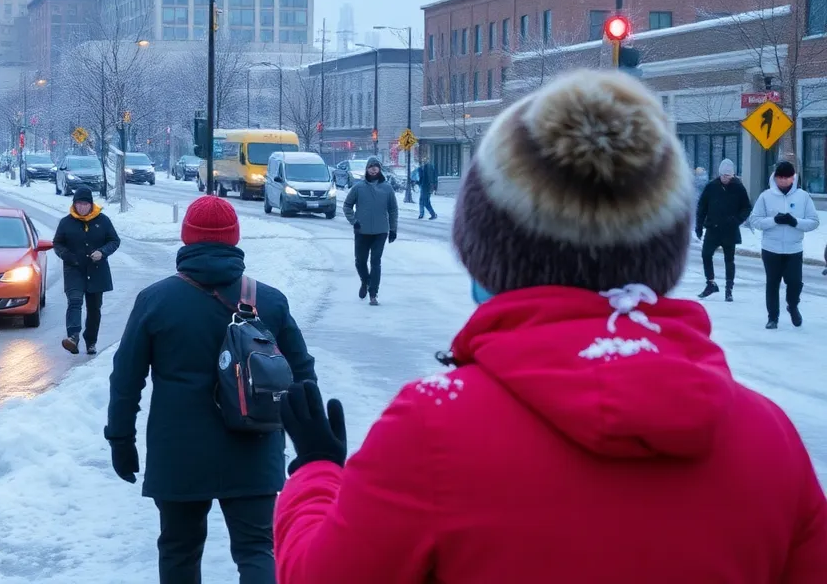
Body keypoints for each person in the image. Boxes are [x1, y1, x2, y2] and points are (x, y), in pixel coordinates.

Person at [271, 71, 827, 584]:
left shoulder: (431, 430)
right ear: (664, 253)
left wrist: (317, 476)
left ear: (488, 257)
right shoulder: (769, 439)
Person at [106, 195, 316, 584]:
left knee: (179, 550)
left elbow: (126, 378)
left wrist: (121, 438)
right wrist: (311, 443)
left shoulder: (156, 300)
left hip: (179, 450)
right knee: (257, 549)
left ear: (187, 238)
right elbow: (302, 375)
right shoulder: (268, 300)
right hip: (255, 445)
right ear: (234, 239)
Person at [750, 160, 819, 329]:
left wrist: (795, 222)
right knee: (772, 283)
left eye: (787, 177)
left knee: (795, 282)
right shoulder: (766, 196)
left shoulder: (803, 196)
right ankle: (773, 317)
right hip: (771, 248)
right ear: (775, 177)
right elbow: (755, 220)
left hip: (794, 248)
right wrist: (774, 220)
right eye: (780, 177)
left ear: (793, 178)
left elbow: (814, 221)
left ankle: (793, 305)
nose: (783, 181)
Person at [53, 187, 120, 354]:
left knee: (94, 308)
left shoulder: (103, 221)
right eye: (78, 204)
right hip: (74, 269)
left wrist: (102, 252)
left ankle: (91, 341)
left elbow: (114, 240)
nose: (82, 207)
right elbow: (57, 243)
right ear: (74, 204)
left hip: (97, 270)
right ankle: (73, 337)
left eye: (85, 204)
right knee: (74, 301)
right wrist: (67, 255)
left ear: (91, 204)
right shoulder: (66, 222)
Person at [342, 155, 397, 305]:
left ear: (379, 169)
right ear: (367, 169)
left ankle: (373, 294)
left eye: (376, 166)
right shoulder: (358, 187)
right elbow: (347, 206)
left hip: (380, 231)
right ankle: (365, 281)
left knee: (375, 261)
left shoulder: (387, 188)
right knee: (360, 261)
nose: (373, 169)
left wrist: (393, 229)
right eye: (371, 166)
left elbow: (393, 210)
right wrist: (354, 221)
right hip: (362, 231)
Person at [695, 158, 751, 301]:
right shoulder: (711, 187)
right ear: (719, 174)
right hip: (713, 228)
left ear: (733, 175)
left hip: (730, 230)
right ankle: (710, 283)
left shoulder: (739, 188)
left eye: (729, 175)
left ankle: (729, 289)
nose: (726, 178)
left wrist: (737, 220)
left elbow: (746, 207)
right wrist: (699, 227)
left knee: (729, 260)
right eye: (723, 175)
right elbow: (702, 207)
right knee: (706, 255)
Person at [412, 156, 438, 220]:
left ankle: (433, 214)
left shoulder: (429, 168)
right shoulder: (421, 169)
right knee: (422, 201)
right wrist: (417, 182)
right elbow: (422, 179)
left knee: (425, 202)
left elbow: (433, 178)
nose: (422, 162)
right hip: (423, 187)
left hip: (427, 187)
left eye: (424, 161)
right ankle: (421, 214)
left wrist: (433, 187)